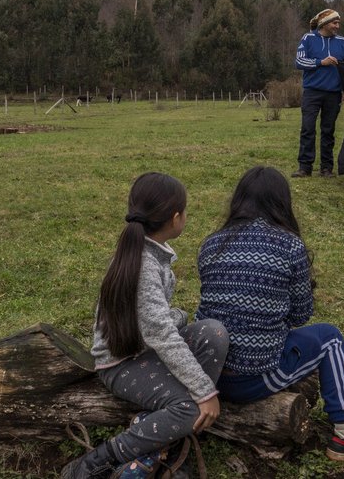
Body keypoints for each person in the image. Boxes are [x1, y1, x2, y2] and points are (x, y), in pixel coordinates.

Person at [196, 166, 344, 463]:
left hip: (209, 377)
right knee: (330, 337)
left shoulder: (211, 244)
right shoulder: (290, 245)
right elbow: (302, 314)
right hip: (254, 379)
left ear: (238, 201)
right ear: (282, 203)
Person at [63, 172, 229, 479]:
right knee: (192, 407)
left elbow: (155, 321)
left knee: (214, 332)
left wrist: (175, 317)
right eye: (186, 212)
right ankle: (99, 460)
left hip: (143, 348)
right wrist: (205, 392)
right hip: (121, 363)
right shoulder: (144, 265)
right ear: (175, 218)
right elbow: (161, 333)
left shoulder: (148, 253)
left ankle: (163, 434)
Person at [293, 9, 344, 179]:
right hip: (312, 92)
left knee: (328, 131)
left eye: (338, 23)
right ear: (324, 23)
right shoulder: (308, 39)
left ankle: (326, 168)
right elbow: (299, 61)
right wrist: (321, 62)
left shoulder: (342, 42)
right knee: (307, 128)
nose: (337, 26)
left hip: (333, 93)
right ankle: (305, 167)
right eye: (335, 23)